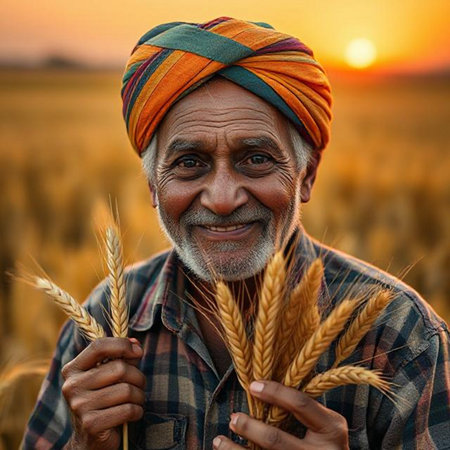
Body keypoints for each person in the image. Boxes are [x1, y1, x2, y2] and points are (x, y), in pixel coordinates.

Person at [23, 17, 449, 449]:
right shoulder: (104, 325)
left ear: (307, 175)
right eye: (190, 162)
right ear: (154, 186)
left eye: (256, 158)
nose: (223, 199)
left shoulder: (401, 336)